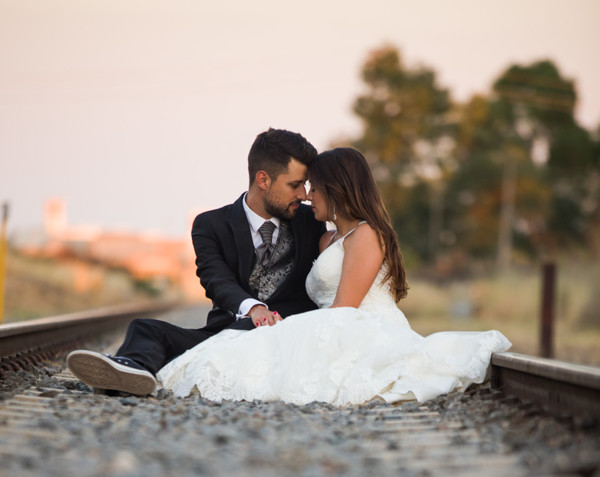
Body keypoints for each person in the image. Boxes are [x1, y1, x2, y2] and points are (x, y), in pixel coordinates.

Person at [157, 147, 511, 405]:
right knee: (245, 349)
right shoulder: (326, 240)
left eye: (314, 187)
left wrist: (290, 330)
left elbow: (345, 307)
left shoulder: (366, 235)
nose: (307, 196)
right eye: (302, 187)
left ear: (337, 189)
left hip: (358, 326)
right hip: (334, 325)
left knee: (267, 350)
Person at [66, 128, 325, 395]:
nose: (304, 194)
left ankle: (142, 372)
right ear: (263, 180)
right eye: (295, 185)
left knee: (215, 345)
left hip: (284, 338)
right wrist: (254, 309)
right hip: (224, 336)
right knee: (145, 328)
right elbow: (216, 279)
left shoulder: (311, 221)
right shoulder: (211, 224)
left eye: (305, 185)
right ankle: (132, 372)